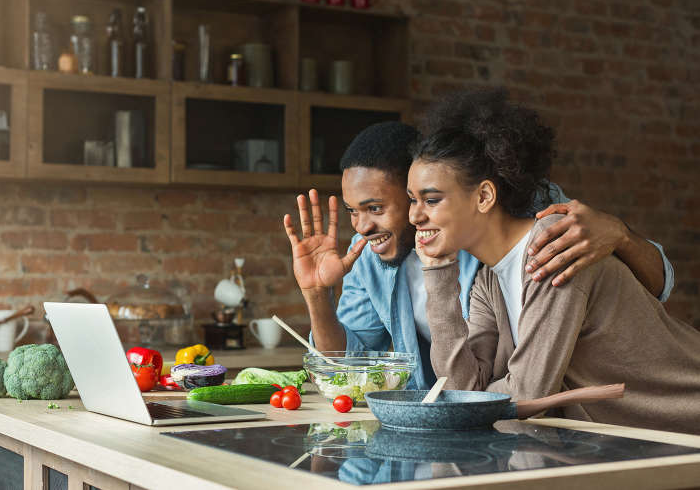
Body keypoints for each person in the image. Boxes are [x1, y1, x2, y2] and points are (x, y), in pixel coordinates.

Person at [283, 121, 674, 390]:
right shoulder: (369, 257)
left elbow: (650, 287)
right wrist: (318, 295)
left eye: (375, 208)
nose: (362, 227)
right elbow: (347, 366)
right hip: (483, 418)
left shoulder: (525, 219)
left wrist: (621, 235)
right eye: (354, 211)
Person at [408, 88, 700, 433]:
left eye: (431, 200)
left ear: (484, 196)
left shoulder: (553, 246)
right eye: (412, 200)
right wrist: (439, 271)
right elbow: (458, 392)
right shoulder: (489, 281)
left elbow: (528, 394)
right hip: (643, 440)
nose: (415, 215)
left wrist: (480, 401)